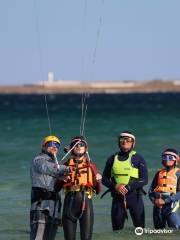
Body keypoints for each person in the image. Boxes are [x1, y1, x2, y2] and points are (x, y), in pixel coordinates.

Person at [57, 136, 102, 240]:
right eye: (75, 145)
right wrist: (61, 179)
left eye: (81, 145)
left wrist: (98, 181)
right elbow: (56, 189)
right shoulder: (66, 165)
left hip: (86, 203)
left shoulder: (91, 166)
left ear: (86, 148)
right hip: (69, 203)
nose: (78, 146)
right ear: (71, 148)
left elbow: (98, 191)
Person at [102, 131, 148, 231]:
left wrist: (129, 187)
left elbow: (144, 179)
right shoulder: (112, 159)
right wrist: (115, 186)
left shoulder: (138, 159)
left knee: (140, 230)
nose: (125, 141)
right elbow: (104, 179)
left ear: (133, 143)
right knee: (117, 231)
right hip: (117, 198)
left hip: (135, 198)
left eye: (128, 140)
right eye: (122, 139)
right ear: (119, 142)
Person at [30, 135, 70, 240]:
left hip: (54, 210)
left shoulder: (56, 165)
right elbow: (47, 168)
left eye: (57, 145)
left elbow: (59, 188)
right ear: (43, 146)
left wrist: (72, 157)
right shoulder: (39, 160)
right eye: (51, 144)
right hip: (41, 208)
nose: (54, 147)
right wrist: (68, 168)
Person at [149, 148, 180, 229]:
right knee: (158, 230)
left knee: (175, 228)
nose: (167, 159)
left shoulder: (178, 174)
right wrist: (154, 200)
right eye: (164, 157)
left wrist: (166, 201)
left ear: (176, 160)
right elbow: (151, 190)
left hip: (171, 204)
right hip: (157, 204)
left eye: (170, 158)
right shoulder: (158, 173)